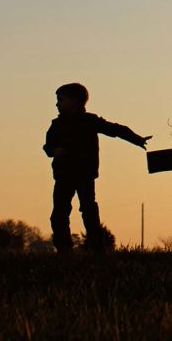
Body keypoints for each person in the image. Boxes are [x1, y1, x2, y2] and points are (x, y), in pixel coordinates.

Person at [44, 82, 149, 254]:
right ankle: (64, 250)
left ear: (74, 102)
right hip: (63, 175)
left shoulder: (90, 121)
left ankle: (98, 249)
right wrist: (55, 151)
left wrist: (136, 139)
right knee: (59, 214)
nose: (57, 104)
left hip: (84, 174)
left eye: (60, 100)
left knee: (89, 211)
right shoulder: (56, 125)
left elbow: (115, 129)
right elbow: (48, 147)